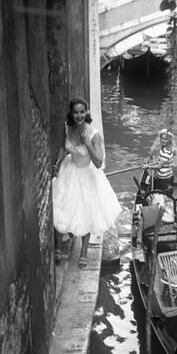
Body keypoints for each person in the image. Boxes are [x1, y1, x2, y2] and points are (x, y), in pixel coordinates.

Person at [52, 97, 122, 268]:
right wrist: (58, 162)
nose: (79, 115)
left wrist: (88, 144)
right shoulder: (67, 128)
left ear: (87, 112)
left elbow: (98, 162)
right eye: (76, 112)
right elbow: (63, 146)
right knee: (62, 208)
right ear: (71, 113)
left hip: (87, 175)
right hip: (69, 171)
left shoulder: (94, 134)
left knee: (86, 212)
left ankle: (83, 253)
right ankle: (59, 248)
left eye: (82, 111)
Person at [143, 128, 175, 192]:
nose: (163, 140)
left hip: (165, 178)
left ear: (169, 140)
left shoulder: (167, 152)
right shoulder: (163, 148)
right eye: (162, 138)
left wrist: (148, 166)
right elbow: (160, 161)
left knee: (163, 194)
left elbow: (159, 166)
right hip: (162, 176)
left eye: (166, 139)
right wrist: (150, 164)